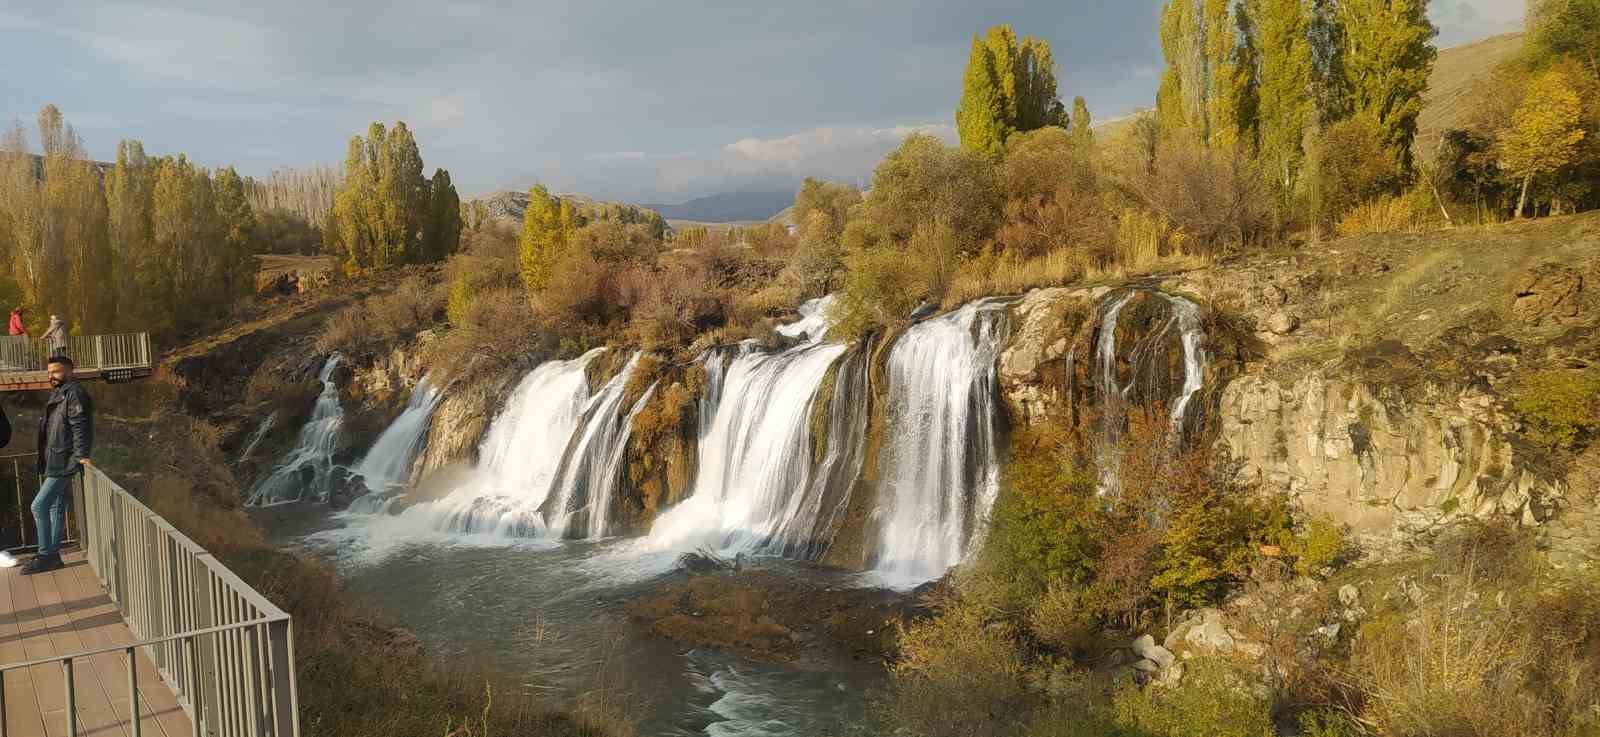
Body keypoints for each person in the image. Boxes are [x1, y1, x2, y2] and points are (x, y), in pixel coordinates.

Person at [21, 355, 92, 575]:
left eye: (56, 371)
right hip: (56, 457)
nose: (51, 376)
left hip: (64, 460)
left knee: (38, 505)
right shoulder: (61, 392)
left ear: (70, 371)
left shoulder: (74, 393)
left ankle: (45, 554)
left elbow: (80, 426)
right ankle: (52, 555)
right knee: (55, 506)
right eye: (49, 372)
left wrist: (81, 455)